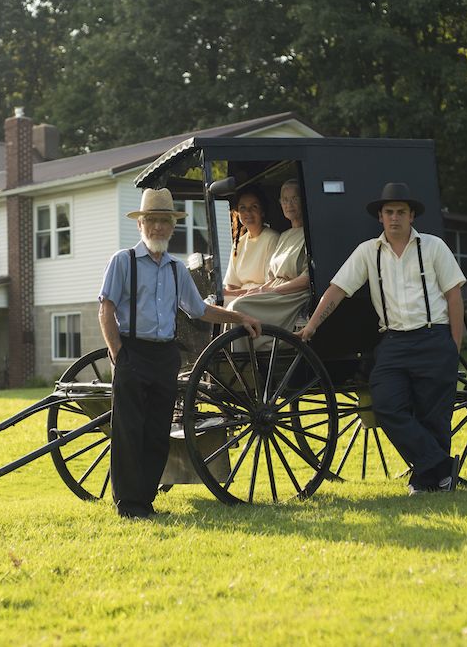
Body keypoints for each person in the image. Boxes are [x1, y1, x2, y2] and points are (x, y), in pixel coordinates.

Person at [99, 188, 262, 519]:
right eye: (152, 221)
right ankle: (128, 506)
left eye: (164, 222)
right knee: (129, 432)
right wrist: (118, 354)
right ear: (141, 225)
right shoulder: (123, 261)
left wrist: (239, 316)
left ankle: (145, 502)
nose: (158, 228)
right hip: (133, 351)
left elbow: (199, 310)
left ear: (172, 227)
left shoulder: (175, 268)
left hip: (164, 356)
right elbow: (106, 309)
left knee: (158, 431)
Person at [297, 182, 466, 495]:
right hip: (395, 342)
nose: (395, 218)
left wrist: (453, 347)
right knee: (385, 405)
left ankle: (430, 480)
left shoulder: (432, 247)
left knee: (434, 414)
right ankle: (441, 466)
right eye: (389, 212)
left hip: (434, 337)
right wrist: (312, 325)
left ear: (412, 215)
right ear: (380, 217)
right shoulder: (368, 252)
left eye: (401, 212)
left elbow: (454, 296)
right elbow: (338, 289)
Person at [225, 179, 310, 332]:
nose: (289, 204)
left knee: (237, 306)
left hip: (291, 297)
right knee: (221, 305)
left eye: (294, 199)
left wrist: (267, 291)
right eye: (285, 199)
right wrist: (261, 290)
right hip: (273, 293)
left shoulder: (308, 236)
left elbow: (307, 279)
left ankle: (242, 353)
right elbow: (271, 278)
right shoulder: (285, 236)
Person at [223, 187, 280, 298]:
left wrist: (232, 295)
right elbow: (232, 285)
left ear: (262, 211)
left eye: (254, 207)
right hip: (239, 299)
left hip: (262, 298)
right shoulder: (238, 244)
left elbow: (270, 285)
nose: (248, 212)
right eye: (243, 208)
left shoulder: (272, 239)